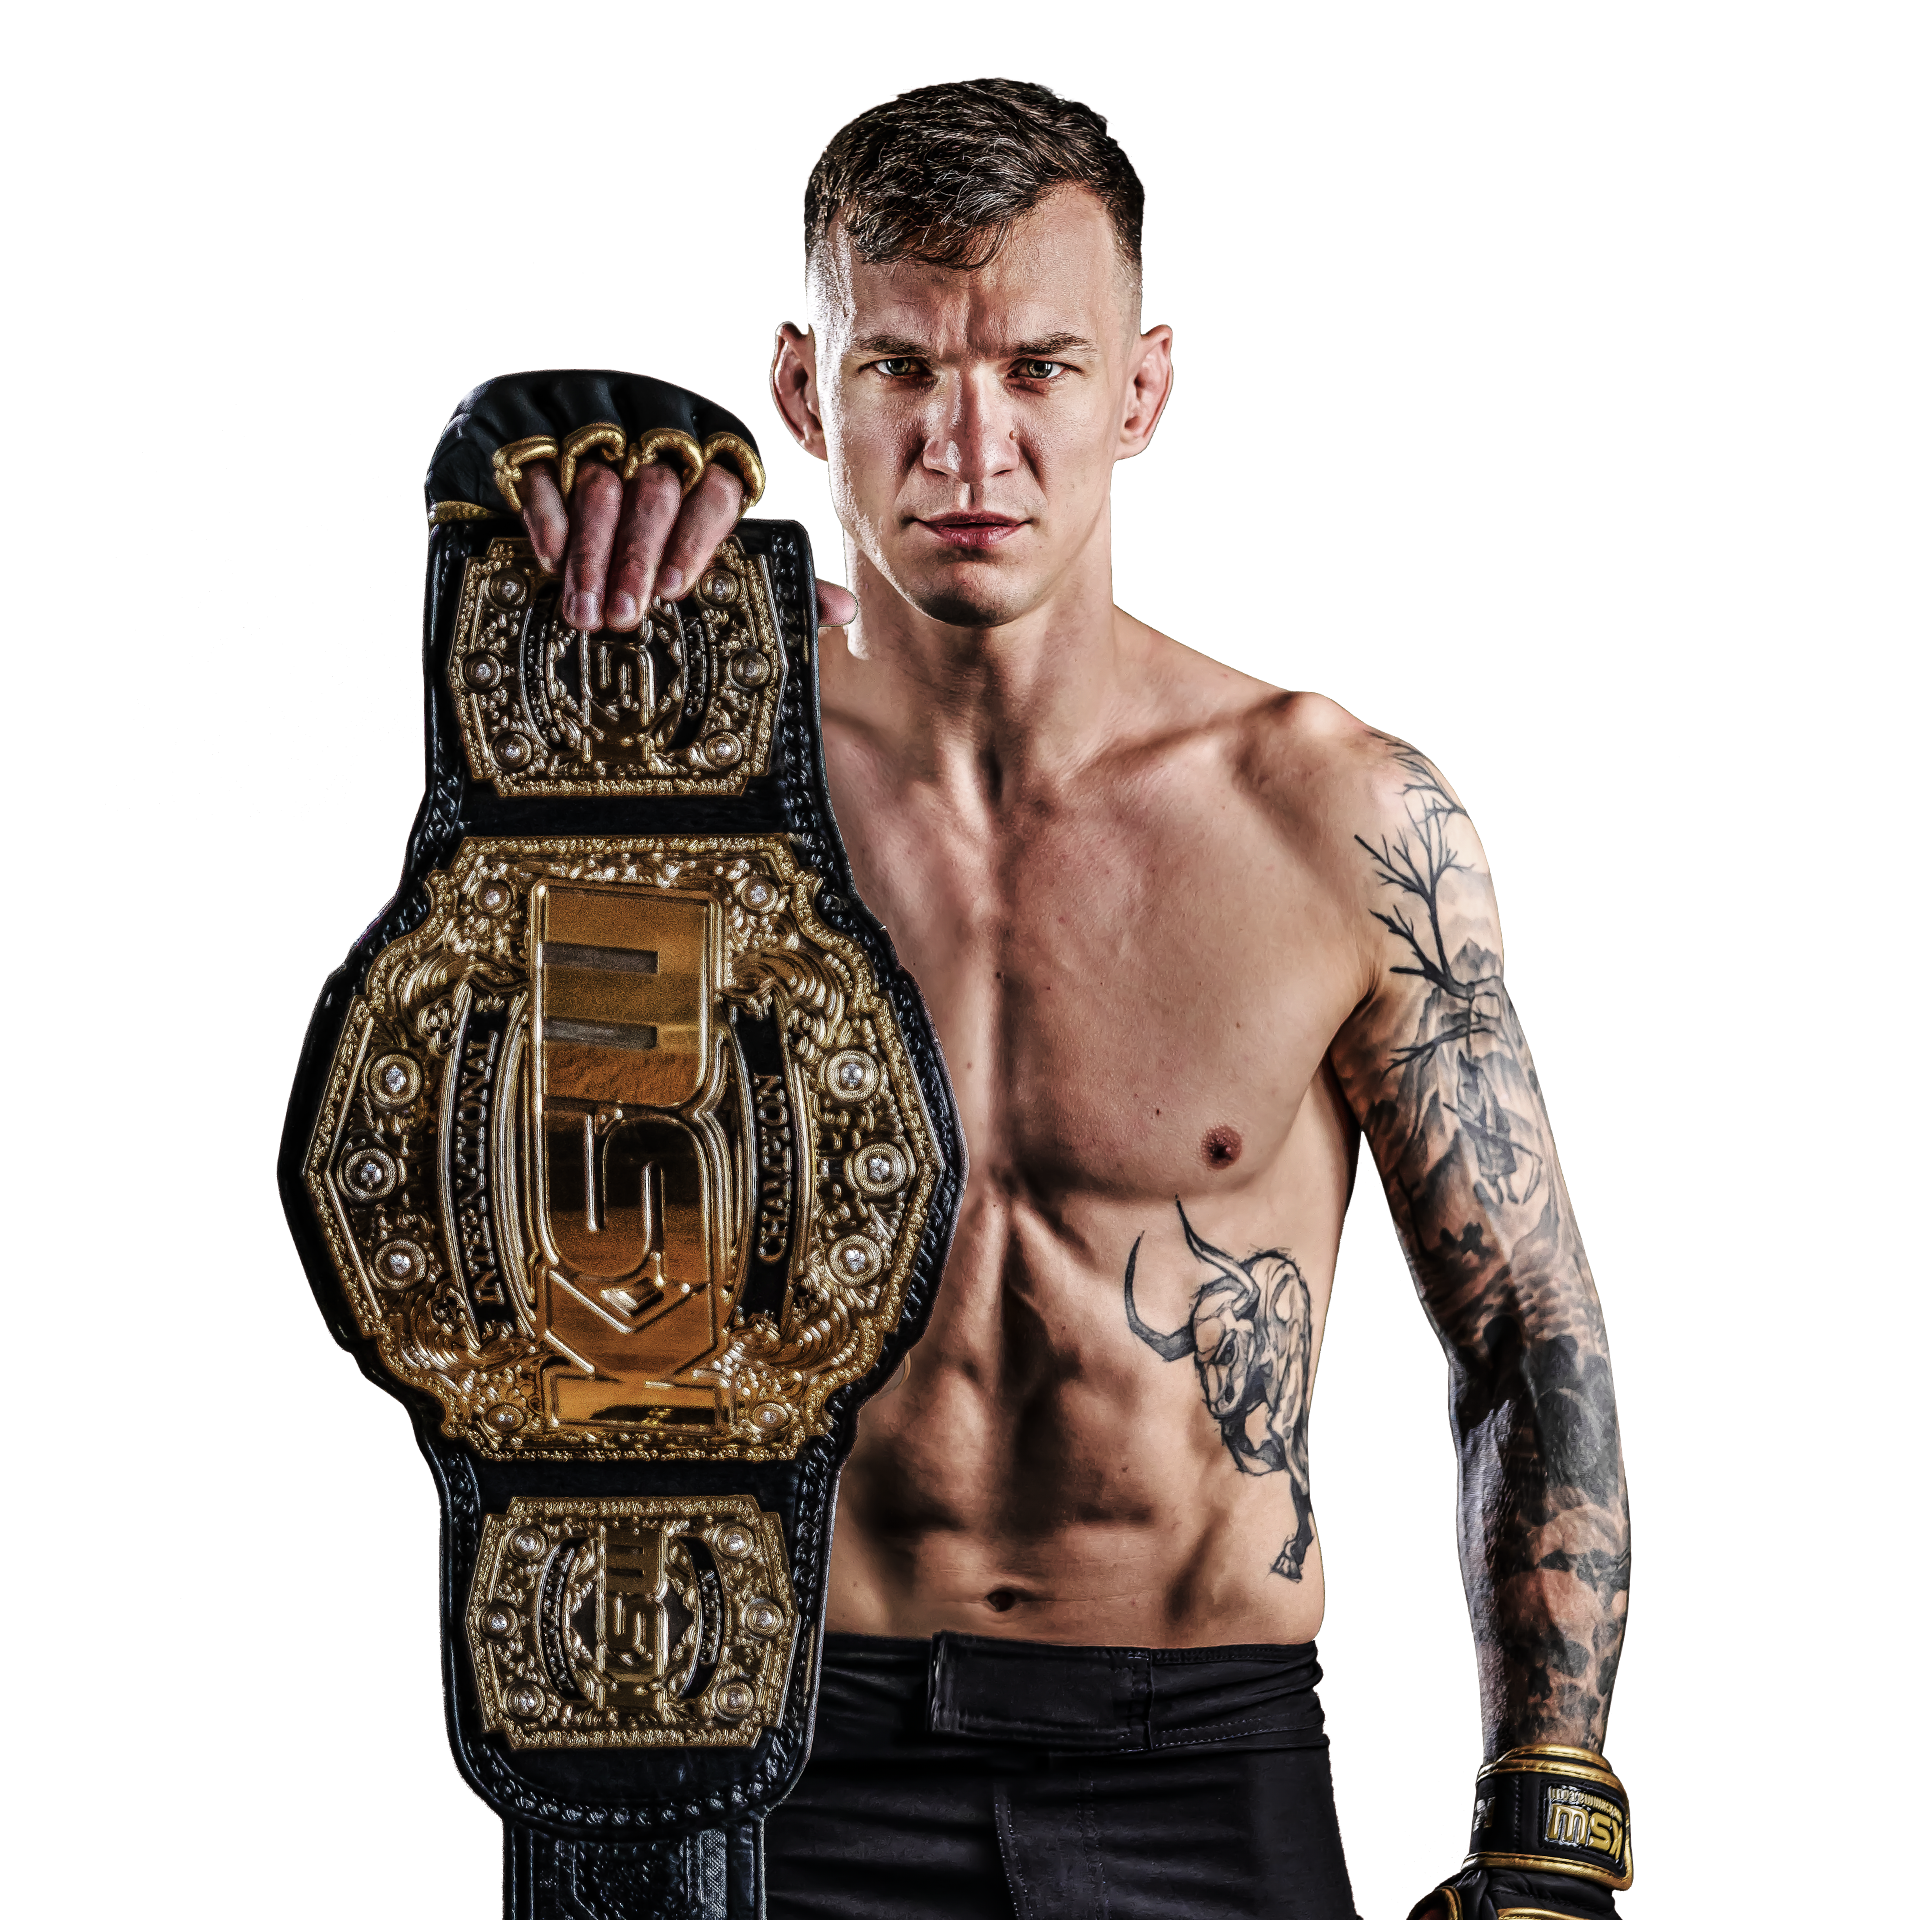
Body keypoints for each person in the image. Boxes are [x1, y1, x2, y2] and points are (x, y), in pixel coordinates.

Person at [504, 76, 1630, 1920]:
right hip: (780, 1750)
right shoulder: (678, 784)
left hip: (1201, 1754)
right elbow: (489, 1214)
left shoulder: (1332, 819)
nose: (972, 445)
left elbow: (1526, 1333)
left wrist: (1550, 1815)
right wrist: (530, 524)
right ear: (804, 390)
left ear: (1141, 391)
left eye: (1039, 367)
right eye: (901, 368)